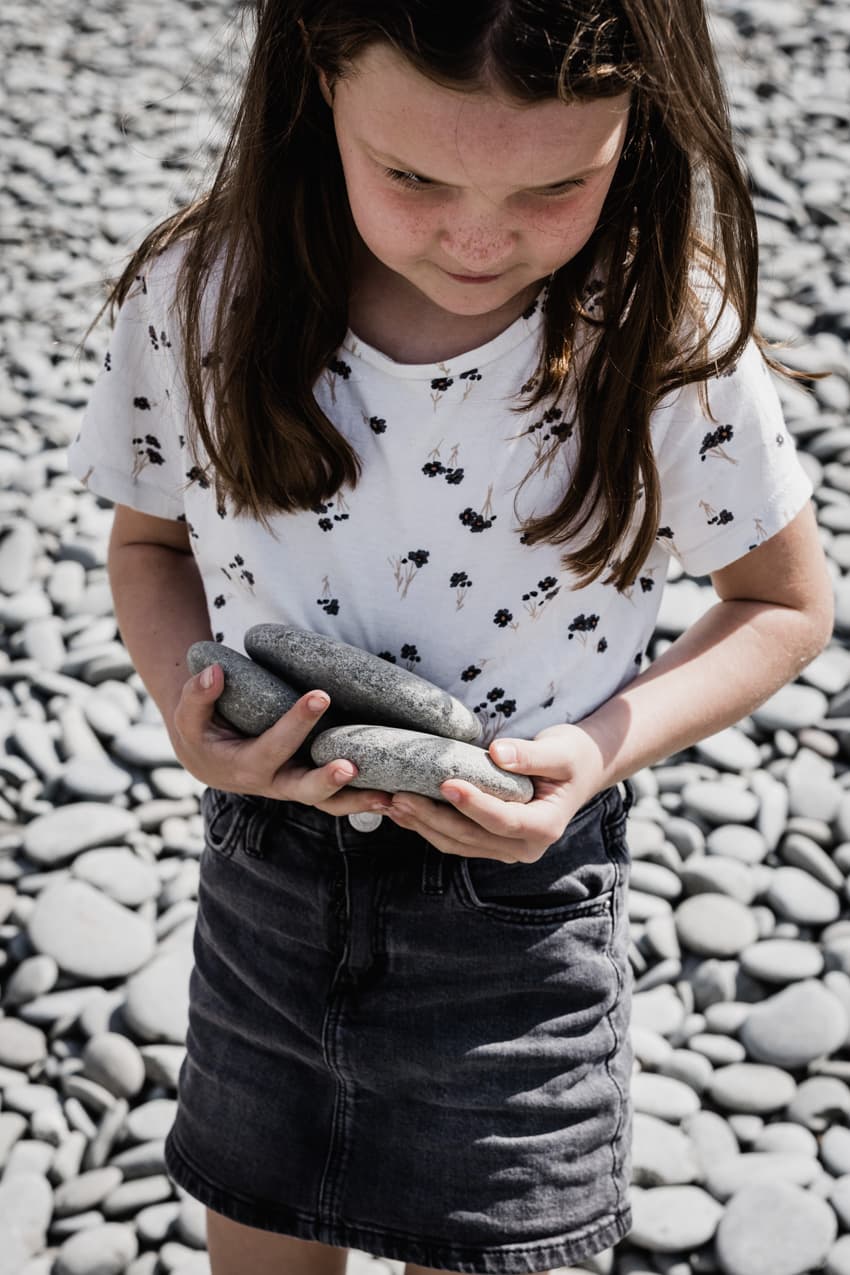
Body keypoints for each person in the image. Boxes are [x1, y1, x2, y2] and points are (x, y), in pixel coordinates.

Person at [68, 2, 834, 1273]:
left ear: (639, 125)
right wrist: (186, 713)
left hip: (518, 911)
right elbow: (150, 552)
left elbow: (783, 603)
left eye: (554, 185)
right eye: (413, 175)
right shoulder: (205, 294)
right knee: (257, 1235)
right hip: (270, 872)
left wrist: (590, 754)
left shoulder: (661, 333)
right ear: (320, 81)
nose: (479, 237)